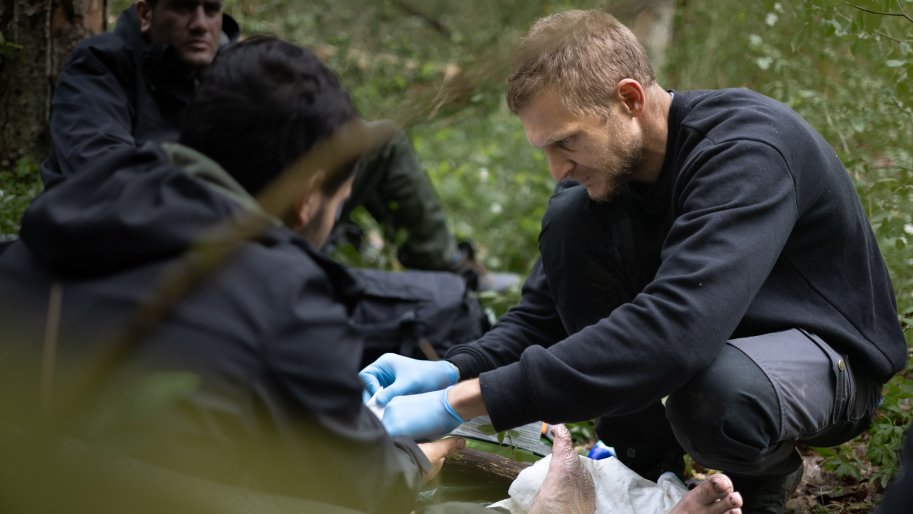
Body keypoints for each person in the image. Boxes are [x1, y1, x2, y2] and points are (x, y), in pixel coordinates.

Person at [359, 9, 908, 513]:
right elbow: (542, 321)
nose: (557, 169)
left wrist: (461, 404)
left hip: (827, 363)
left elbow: (675, 332)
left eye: (567, 142)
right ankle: (651, 480)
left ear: (629, 98)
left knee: (713, 394)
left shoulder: (747, 151)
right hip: (718, 345)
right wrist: (451, 371)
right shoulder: (599, 187)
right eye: (545, 149)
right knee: (571, 220)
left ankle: (764, 485)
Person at [0, 36, 464, 514]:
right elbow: (365, 484)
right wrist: (414, 458)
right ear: (307, 198)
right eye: (339, 199)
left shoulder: (63, 221)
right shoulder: (285, 293)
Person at [40, 0, 512, 292]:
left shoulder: (232, 60)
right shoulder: (102, 65)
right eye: (183, 9)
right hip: (151, 238)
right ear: (146, 13)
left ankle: (449, 269)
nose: (201, 23)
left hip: (251, 218)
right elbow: (100, 169)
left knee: (377, 139)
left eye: (210, 8)